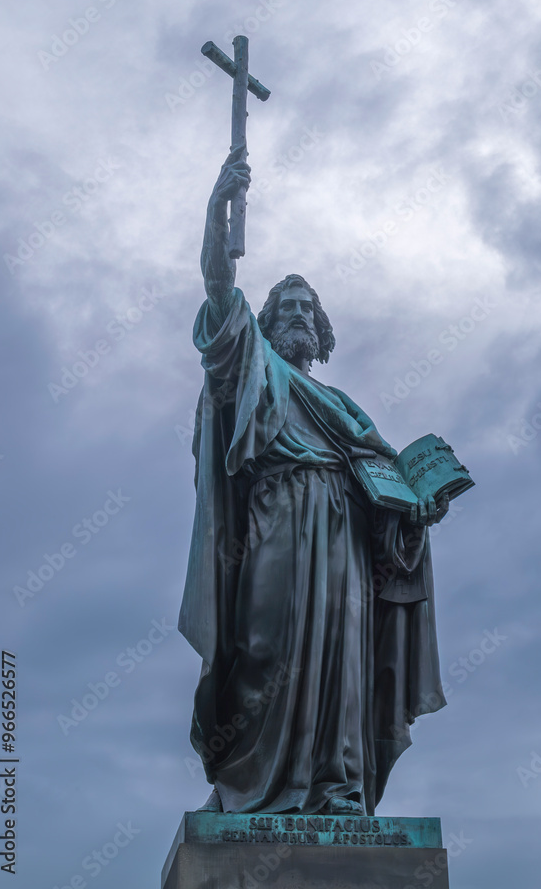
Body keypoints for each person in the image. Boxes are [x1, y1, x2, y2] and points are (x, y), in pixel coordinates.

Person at [179, 147, 448, 816]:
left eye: (308, 309)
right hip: (278, 523)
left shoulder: (348, 409)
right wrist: (218, 210)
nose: (298, 313)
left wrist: (415, 512)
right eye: (287, 306)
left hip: (347, 538)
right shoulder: (251, 367)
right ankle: (254, 787)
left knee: (345, 663)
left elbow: (383, 488)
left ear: (322, 331)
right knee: (268, 649)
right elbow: (218, 290)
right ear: (266, 325)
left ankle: (337, 787)